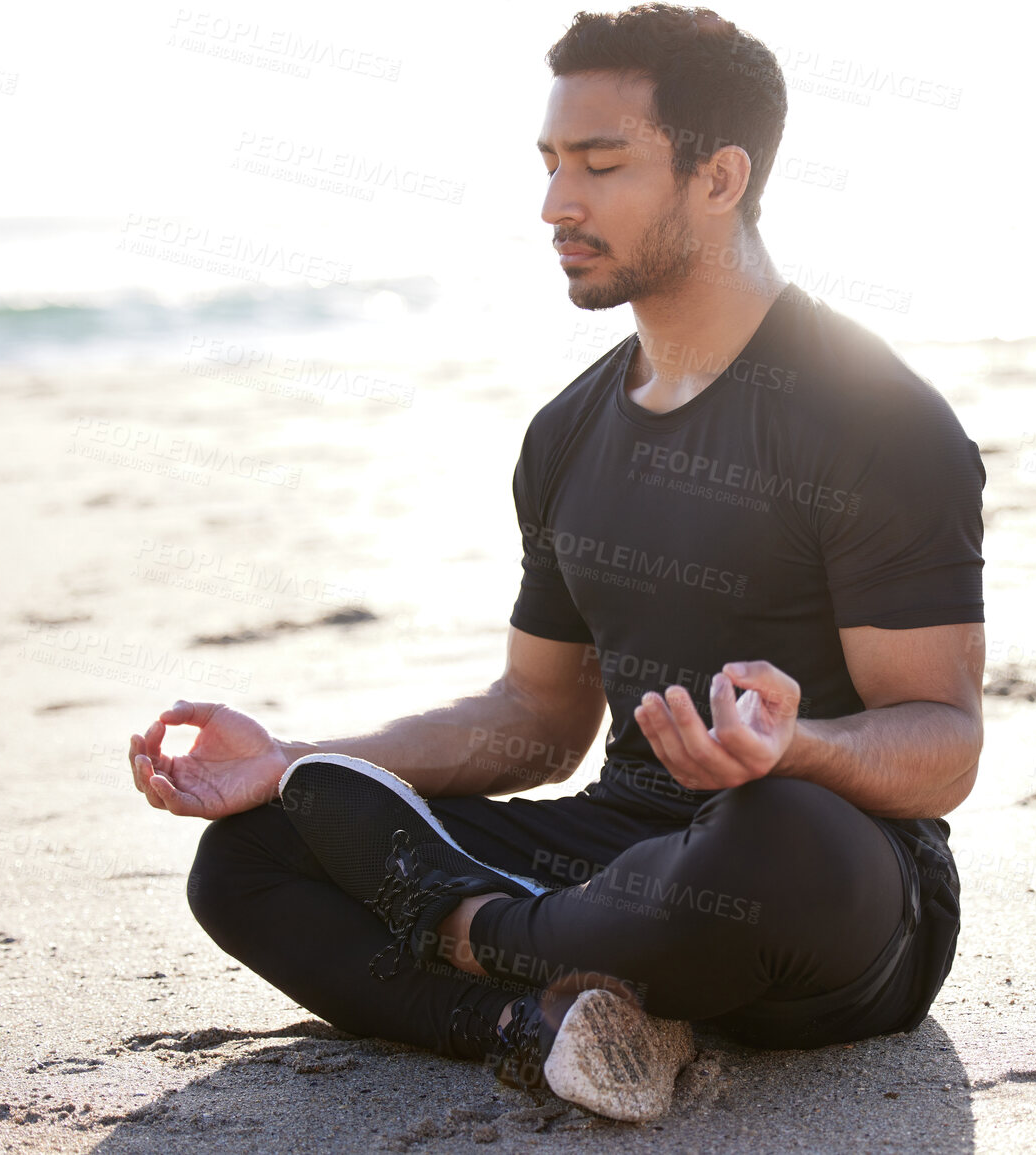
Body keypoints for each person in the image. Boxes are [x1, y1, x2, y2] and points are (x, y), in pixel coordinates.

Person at [128, 3, 986, 1123]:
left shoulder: (871, 418)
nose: (555, 205)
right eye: (548, 164)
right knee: (255, 851)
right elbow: (536, 722)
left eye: (601, 164)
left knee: (774, 838)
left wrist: (798, 744)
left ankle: (467, 934)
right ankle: (539, 1026)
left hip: (827, 886)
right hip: (614, 855)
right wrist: (293, 759)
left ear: (718, 178)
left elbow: (944, 745)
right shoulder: (568, 433)